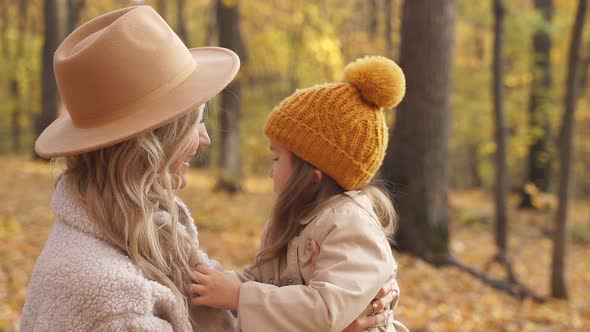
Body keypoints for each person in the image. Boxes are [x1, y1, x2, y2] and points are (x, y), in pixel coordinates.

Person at [20, 5, 393, 332]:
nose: (205, 139)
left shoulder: (152, 227)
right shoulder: (115, 301)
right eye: (192, 123)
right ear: (150, 144)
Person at [189, 56, 409, 332]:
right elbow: (263, 280)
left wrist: (238, 295)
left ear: (312, 176)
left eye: (276, 159)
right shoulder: (294, 219)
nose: (270, 172)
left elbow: (327, 310)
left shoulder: (349, 222)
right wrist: (220, 285)